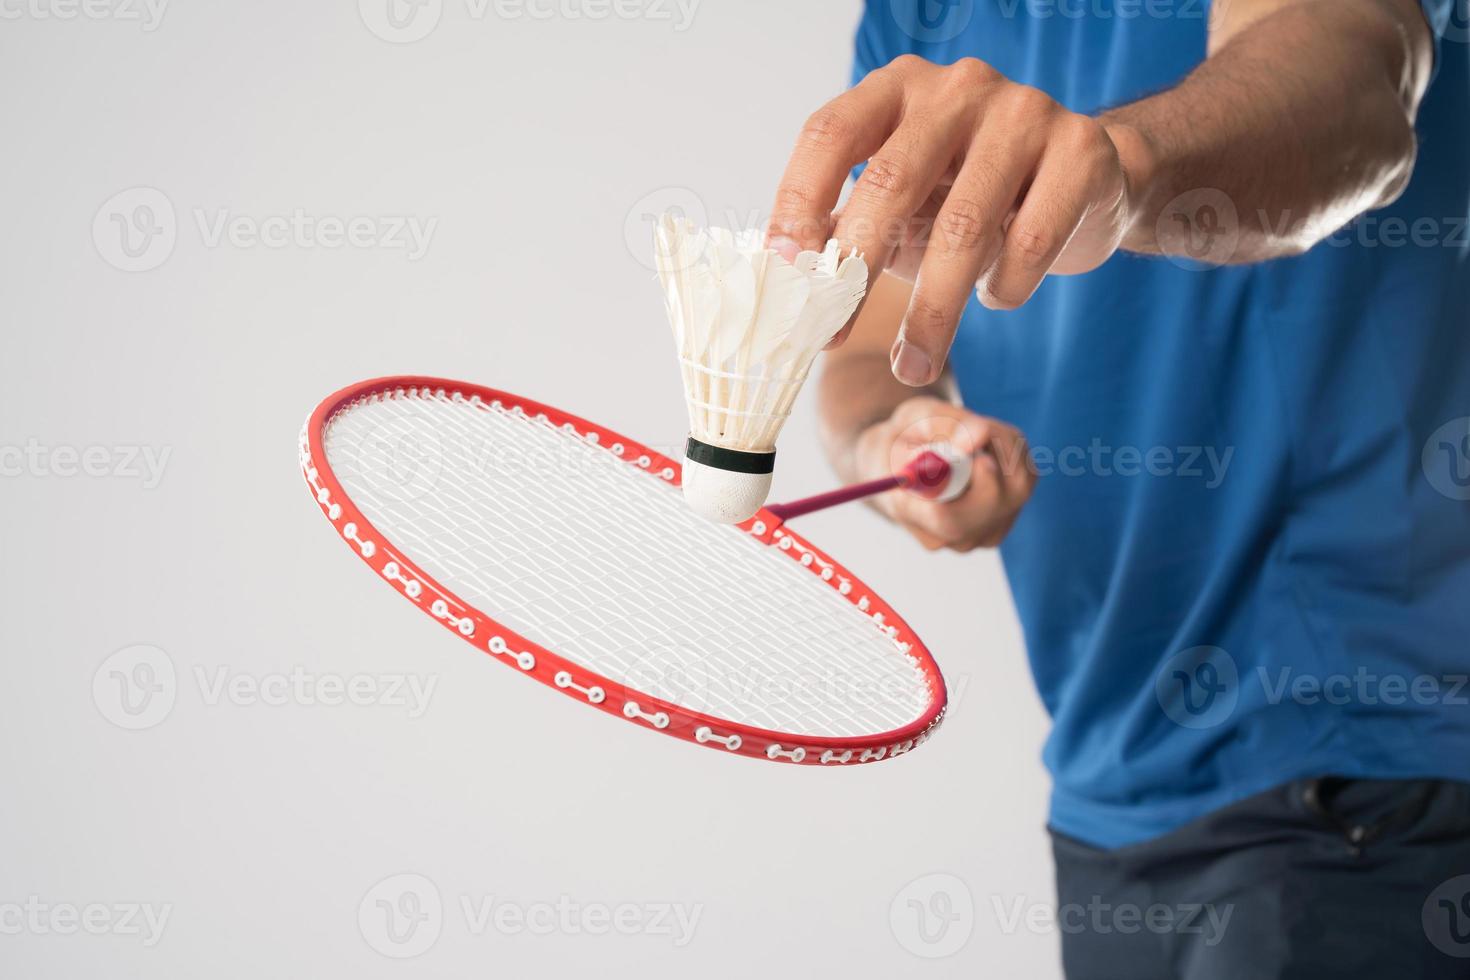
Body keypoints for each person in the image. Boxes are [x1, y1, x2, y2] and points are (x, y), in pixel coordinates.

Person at [765, 1, 1470, 976]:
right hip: (1108, 787)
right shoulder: (914, 19)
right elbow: (877, 342)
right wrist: (896, 434)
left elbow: (1353, 87)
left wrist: (1120, 169)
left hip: (1353, 769)